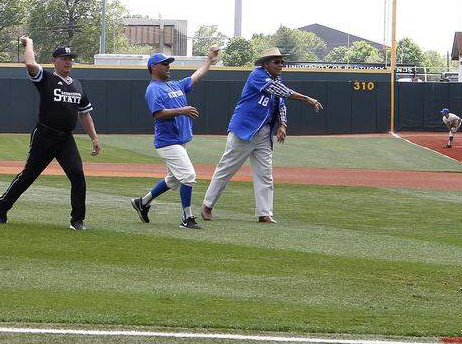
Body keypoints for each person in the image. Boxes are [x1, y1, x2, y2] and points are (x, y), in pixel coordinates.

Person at [200, 47, 323, 224]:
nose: (281, 65)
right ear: (266, 64)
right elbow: (280, 91)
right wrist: (307, 98)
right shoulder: (257, 75)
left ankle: (264, 213)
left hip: (264, 133)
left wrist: (283, 124)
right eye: (276, 62)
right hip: (244, 130)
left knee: (265, 174)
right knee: (226, 169)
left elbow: (280, 103)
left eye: (282, 62)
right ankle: (207, 205)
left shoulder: (277, 79)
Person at [0, 37, 101, 230]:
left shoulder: (77, 85)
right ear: (54, 61)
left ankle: (77, 219)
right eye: (64, 58)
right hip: (45, 135)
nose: (68, 61)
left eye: (70, 58)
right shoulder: (47, 79)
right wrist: (28, 42)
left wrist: (94, 137)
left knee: (77, 175)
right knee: (29, 175)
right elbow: (29, 63)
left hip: (65, 139)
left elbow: (85, 114)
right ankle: (4, 203)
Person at [130, 47, 220, 230]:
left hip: (180, 140)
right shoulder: (153, 89)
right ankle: (187, 218)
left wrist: (209, 60)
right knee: (188, 175)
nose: (168, 66)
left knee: (173, 179)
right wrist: (182, 110)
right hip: (167, 142)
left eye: (169, 63)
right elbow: (158, 113)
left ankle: (143, 202)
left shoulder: (175, 85)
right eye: (165, 64)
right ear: (154, 67)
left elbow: (196, 76)